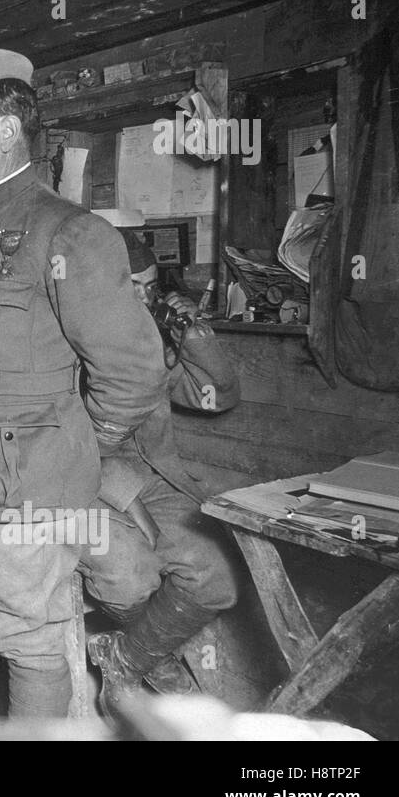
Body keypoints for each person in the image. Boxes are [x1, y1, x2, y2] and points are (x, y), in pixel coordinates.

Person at [0, 48, 168, 719]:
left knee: (30, 638)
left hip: (18, 486)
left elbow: (132, 372)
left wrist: (68, 446)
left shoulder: (72, 233)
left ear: (8, 130)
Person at [82, 230, 241, 716]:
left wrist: (194, 335)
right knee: (130, 575)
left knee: (216, 573)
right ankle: (158, 658)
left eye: (150, 285)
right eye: (133, 285)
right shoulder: (65, 337)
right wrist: (136, 510)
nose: (145, 297)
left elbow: (216, 397)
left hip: (150, 477)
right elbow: (70, 447)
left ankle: (127, 658)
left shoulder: (146, 335)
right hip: (79, 486)